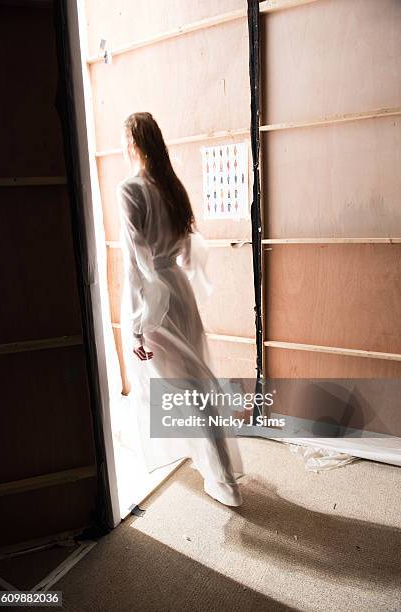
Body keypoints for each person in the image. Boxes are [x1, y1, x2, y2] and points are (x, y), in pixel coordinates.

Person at [117, 112, 243, 507]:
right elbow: (189, 251)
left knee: (179, 385)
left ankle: (221, 477)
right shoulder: (173, 187)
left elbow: (136, 263)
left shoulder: (131, 190)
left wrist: (138, 324)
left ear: (133, 144)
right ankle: (216, 469)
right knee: (193, 382)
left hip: (154, 297)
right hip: (178, 290)